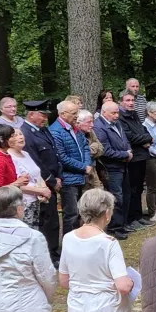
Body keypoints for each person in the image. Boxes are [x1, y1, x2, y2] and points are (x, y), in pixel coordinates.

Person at [0, 124, 50, 227]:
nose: (17, 138)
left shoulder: (4, 154)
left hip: (13, 202)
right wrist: (17, 183)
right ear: (2, 139)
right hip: (6, 209)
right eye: (12, 136)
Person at [21, 101, 62, 260]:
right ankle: (48, 254)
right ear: (31, 115)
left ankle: (53, 251)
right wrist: (51, 180)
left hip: (53, 180)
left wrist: (58, 176)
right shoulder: (26, 133)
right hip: (41, 183)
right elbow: (36, 161)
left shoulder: (43, 130)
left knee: (52, 219)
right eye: (42, 115)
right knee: (45, 220)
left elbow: (54, 154)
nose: (45, 117)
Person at [50, 100, 92, 234]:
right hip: (68, 178)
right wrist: (83, 167)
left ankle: (80, 237)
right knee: (71, 213)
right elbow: (61, 157)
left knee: (81, 211)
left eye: (77, 112)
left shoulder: (74, 128)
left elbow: (85, 146)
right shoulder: (55, 131)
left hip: (80, 176)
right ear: (63, 113)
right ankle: (69, 242)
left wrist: (87, 164)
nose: (77, 116)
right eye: (74, 113)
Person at [95, 101, 134, 239]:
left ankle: (123, 223)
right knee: (116, 197)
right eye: (113, 113)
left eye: (117, 112)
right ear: (104, 112)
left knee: (126, 195)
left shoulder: (117, 123)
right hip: (111, 167)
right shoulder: (99, 127)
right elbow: (105, 150)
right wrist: (125, 155)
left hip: (123, 165)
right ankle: (115, 227)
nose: (117, 115)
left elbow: (125, 140)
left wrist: (128, 150)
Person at [119, 91, 153, 230]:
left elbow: (144, 131)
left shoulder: (134, 115)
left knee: (139, 188)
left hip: (142, 156)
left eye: (132, 100)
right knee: (132, 189)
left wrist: (147, 138)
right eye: (127, 100)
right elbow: (130, 137)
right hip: (132, 158)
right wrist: (145, 139)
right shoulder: (121, 117)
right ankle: (131, 218)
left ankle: (138, 216)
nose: (131, 103)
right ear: (121, 102)